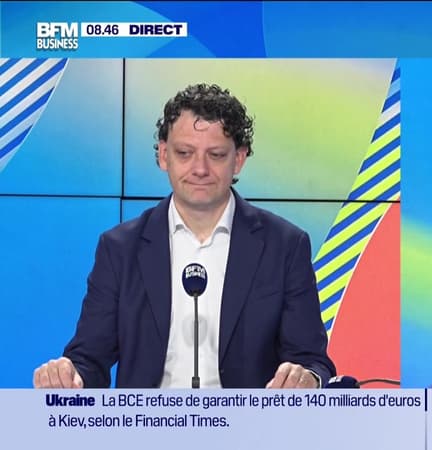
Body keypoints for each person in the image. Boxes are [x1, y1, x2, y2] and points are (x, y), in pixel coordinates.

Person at [33, 83, 335, 389]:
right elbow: (89, 359)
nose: (200, 169)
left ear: (239, 159)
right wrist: (69, 375)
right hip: (145, 419)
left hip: (249, 419)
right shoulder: (120, 249)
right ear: (164, 155)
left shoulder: (284, 246)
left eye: (216, 155)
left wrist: (307, 379)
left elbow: (312, 361)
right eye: (185, 153)